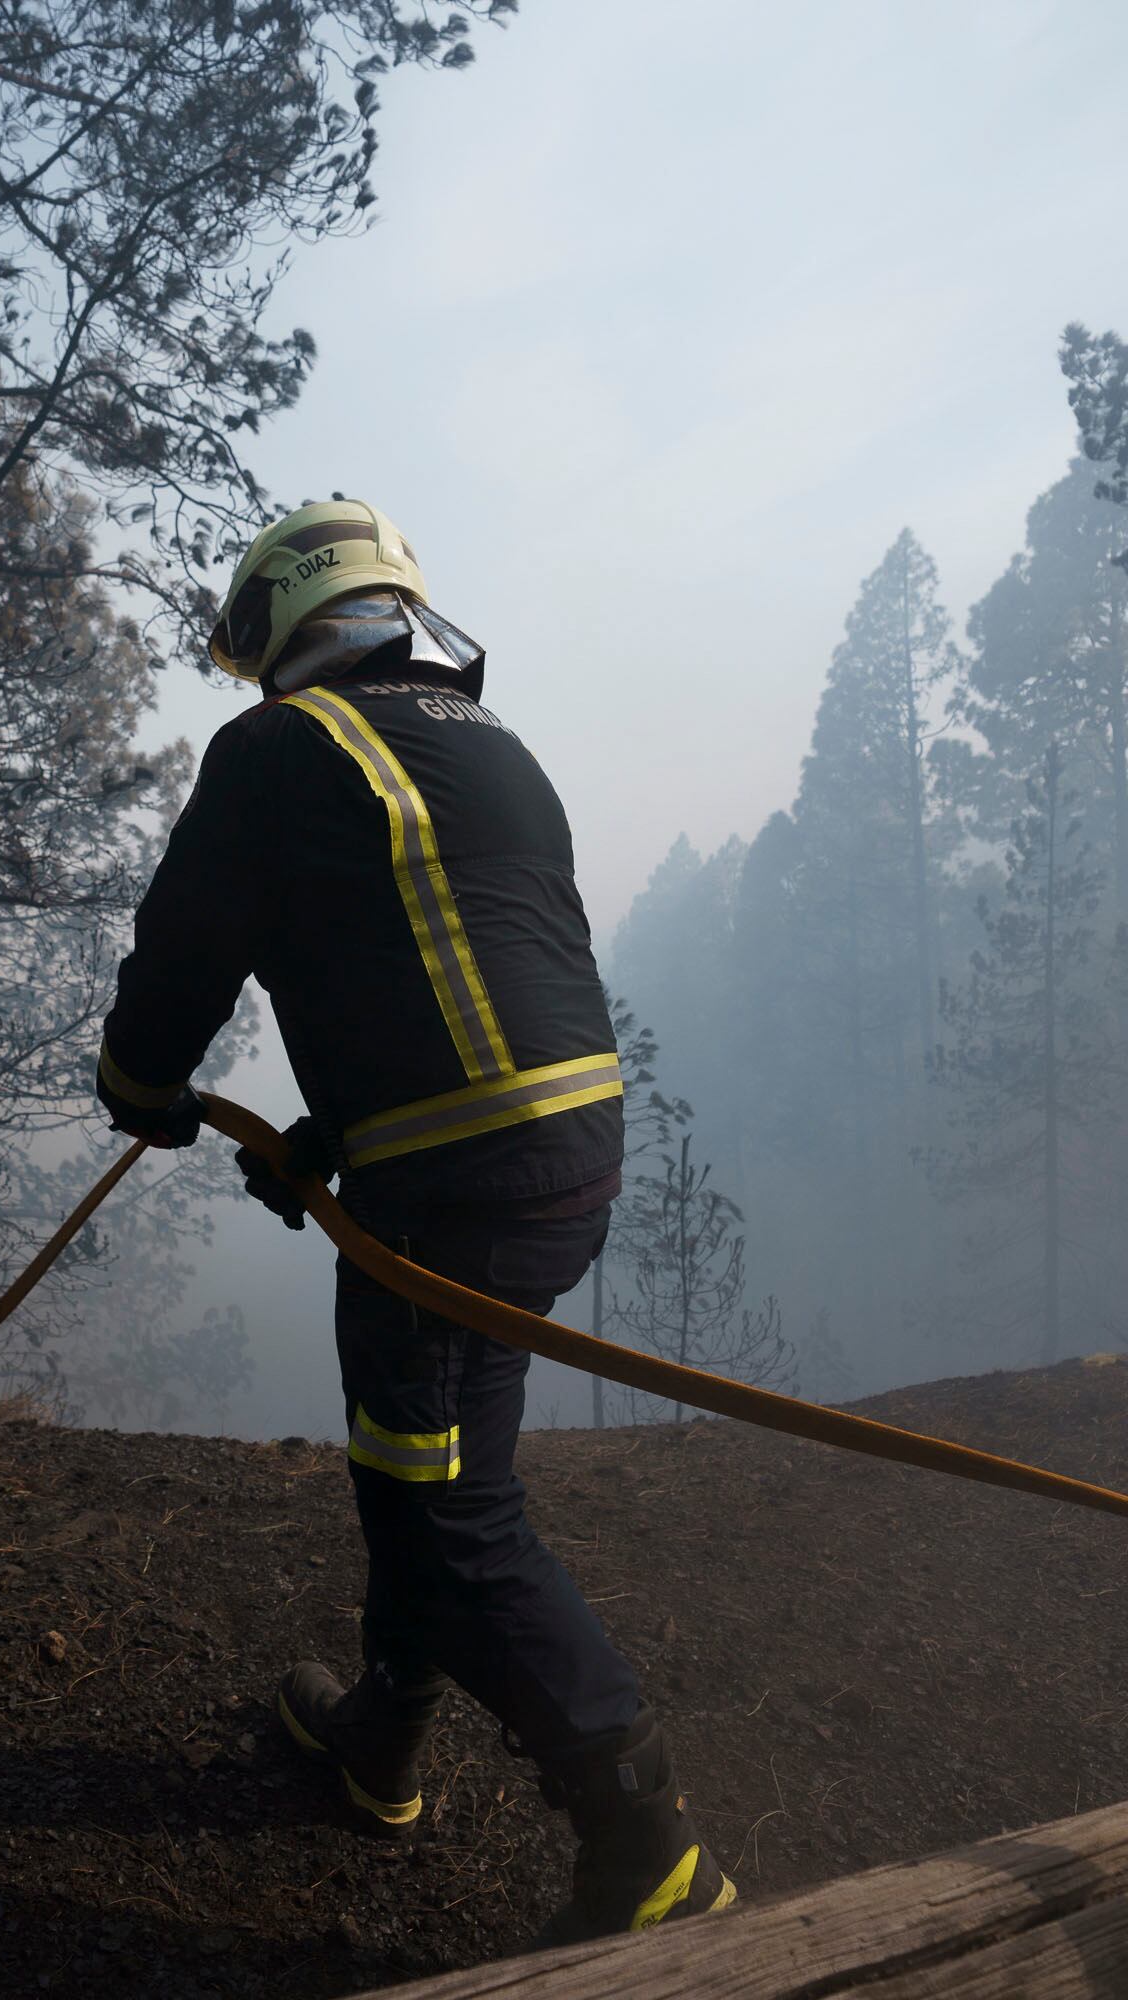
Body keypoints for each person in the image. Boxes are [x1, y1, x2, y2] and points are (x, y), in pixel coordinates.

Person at [91, 499, 738, 1943]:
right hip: (549, 1164)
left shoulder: (279, 747)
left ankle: (646, 1841)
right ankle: (383, 1736)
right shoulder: (488, 742)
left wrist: (138, 1083)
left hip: (455, 1197)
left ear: (278, 621)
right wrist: (337, 1137)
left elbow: (185, 949)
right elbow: (454, 968)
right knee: (420, 1466)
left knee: (446, 1514)